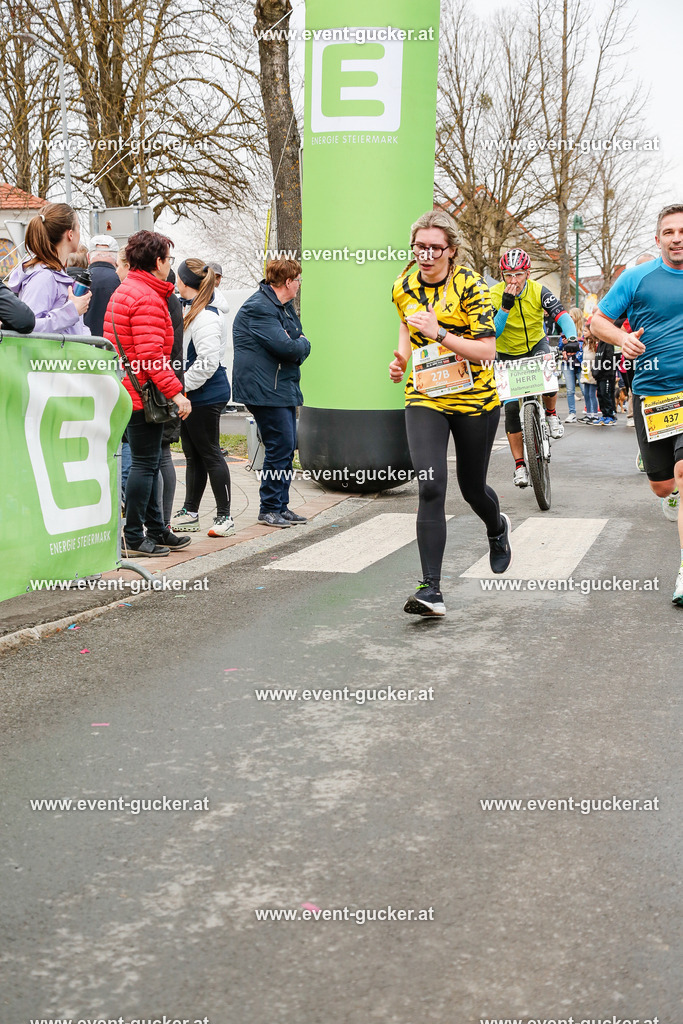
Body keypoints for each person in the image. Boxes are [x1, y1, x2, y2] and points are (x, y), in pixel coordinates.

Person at [389, 209, 511, 618]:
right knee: (431, 485)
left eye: (434, 248)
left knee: (472, 488)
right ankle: (431, 590)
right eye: (419, 247)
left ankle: (497, 527)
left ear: (452, 251)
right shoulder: (403, 284)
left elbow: (487, 351)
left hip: (475, 399)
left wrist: (441, 332)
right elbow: (408, 324)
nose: (425, 255)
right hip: (425, 396)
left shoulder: (471, 287)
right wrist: (402, 358)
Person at [591, 203, 683, 605]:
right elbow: (597, 321)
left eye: (682, 231)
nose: (677, 238)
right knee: (663, 484)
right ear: (658, 238)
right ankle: (673, 497)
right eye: (669, 232)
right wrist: (620, 339)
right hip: (654, 393)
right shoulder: (637, 278)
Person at [103, 230, 192, 557]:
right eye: (168, 259)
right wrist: (177, 393)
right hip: (142, 394)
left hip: (127, 389)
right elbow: (151, 356)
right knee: (144, 464)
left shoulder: (125, 290)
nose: (170, 265)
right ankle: (135, 536)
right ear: (157, 261)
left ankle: (156, 530)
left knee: (150, 462)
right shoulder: (147, 298)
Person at [232, 258, 310, 529]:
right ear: (288, 282)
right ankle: (268, 508)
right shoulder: (259, 307)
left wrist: (298, 343)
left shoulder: (282, 307)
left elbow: (296, 338)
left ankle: (281, 506)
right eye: (298, 280)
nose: (300, 285)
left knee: (287, 447)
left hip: (281, 386)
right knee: (279, 446)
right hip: (265, 389)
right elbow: (289, 347)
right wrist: (300, 344)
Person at [490, 249, 577, 487]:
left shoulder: (539, 291)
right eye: (508, 275)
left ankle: (550, 415)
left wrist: (571, 337)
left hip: (536, 345)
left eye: (518, 274)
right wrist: (505, 309)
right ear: (502, 274)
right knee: (509, 411)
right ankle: (519, 466)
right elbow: (492, 333)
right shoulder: (494, 294)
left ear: (527, 273)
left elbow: (562, 315)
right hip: (507, 353)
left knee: (549, 378)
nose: (513, 280)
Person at [171, 260, 235, 537]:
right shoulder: (193, 309)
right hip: (196, 391)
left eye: (177, 278)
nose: (175, 281)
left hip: (206, 393)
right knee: (193, 453)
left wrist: (182, 388)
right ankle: (191, 512)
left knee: (210, 452)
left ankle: (225, 517)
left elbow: (207, 363)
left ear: (185, 283)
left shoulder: (206, 316)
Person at [7, 203, 91, 334]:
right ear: (70, 234)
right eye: (78, 228)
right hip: (51, 355)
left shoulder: (55, 273)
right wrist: (71, 312)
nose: (80, 234)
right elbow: (29, 327)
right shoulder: (43, 277)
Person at [158, 266, 184, 528]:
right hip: (170, 383)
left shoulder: (162, 301)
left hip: (160, 387)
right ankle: (162, 523)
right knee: (163, 455)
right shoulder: (174, 301)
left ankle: (155, 524)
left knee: (154, 459)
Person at [84, 234, 120, 337]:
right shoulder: (120, 281)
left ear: (88, 257)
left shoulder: (80, 282)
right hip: (113, 346)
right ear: (116, 258)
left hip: (84, 344)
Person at [558, 307, 585, 423]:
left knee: (585, 388)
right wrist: (563, 345)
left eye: (571, 316)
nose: (568, 318)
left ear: (577, 317)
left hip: (580, 362)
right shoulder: (565, 331)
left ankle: (591, 411)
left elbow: (586, 347)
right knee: (570, 390)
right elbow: (560, 346)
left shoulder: (584, 332)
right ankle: (572, 413)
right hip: (567, 362)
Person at [578, 322, 600, 423]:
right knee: (586, 393)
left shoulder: (595, 344)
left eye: (585, 331)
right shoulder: (585, 343)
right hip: (585, 370)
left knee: (592, 394)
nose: (583, 333)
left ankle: (594, 414)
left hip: (592, 371)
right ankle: (588, 414)